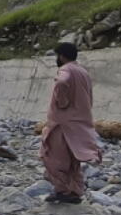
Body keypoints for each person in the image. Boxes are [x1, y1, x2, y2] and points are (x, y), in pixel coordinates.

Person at [40, 42, 102, 204]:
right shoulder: (83, 72)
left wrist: (62, 101)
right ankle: (75, 191)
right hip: (80, 121)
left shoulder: (66, 70)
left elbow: (62, 82)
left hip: (63, 124)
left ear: (61, 56)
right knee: (73, 160)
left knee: (53, 157)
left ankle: (63, 190)